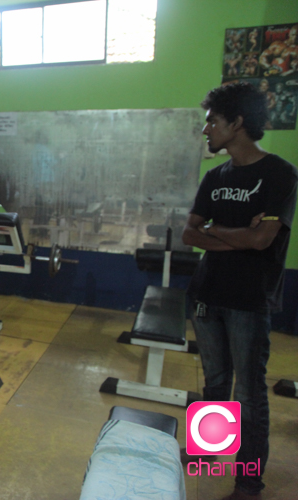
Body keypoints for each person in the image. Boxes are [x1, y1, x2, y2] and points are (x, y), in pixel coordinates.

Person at [181, 82, 297, 500]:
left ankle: (248, 482)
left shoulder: (279, 174)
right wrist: (235, 236)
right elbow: (190, 233)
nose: (206, 129)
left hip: (249, 299)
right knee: (214, 383)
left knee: (248, 394)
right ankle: (207, 452)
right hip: (208, 292)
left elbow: (263, 239)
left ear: (237, 123)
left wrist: (216, 231)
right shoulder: (215, 177)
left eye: (212, 121)